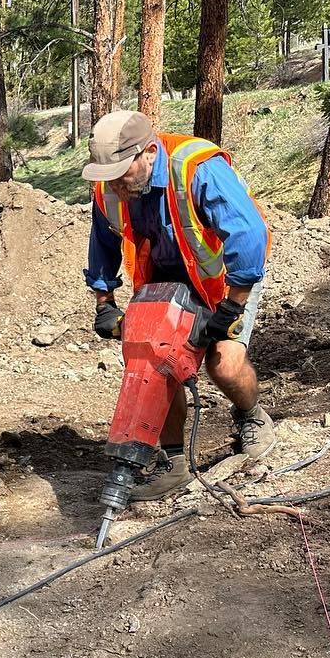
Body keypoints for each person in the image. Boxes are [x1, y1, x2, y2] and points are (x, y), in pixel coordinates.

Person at [82, 109, 276, 501]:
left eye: (123, 172)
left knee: (224, 364)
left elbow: (250, 234)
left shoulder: (196, 167)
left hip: (224, 280)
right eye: (108, 175)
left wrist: (231, 309)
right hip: (162, 280)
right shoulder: (110, 186)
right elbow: (102, 242)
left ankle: (251, 416)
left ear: (149, 152)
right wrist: (105, 301)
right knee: (155, 364)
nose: (115, 184)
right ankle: (174, 462)